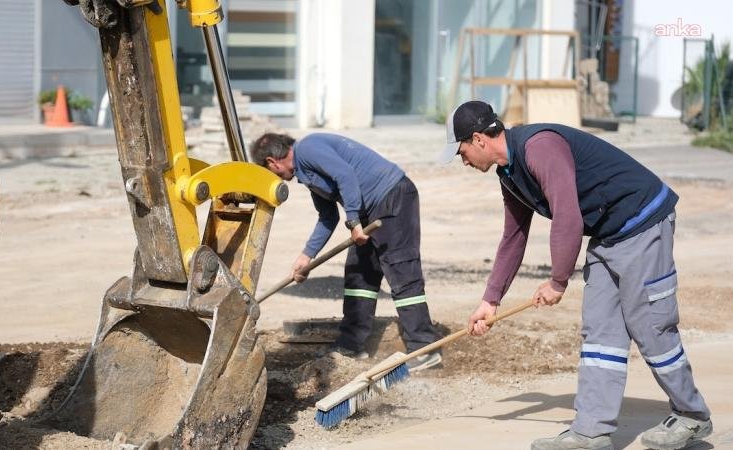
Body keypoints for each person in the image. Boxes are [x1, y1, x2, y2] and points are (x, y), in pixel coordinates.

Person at [445, 100, 712, 450]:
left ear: (479, 139)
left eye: (462, 151)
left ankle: (692, 415)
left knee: (650, 325)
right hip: (608, 235)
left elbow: (567, 215)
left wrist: (558, 281)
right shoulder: (508, 173)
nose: (463, 160)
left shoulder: (539, 147)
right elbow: (514, 237)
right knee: (600, 332)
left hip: (643, 221)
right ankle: (591, 431)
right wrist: (490, 300)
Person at [251, 132, 441, 371]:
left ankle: (424, 348)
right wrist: (305, 256)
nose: (278, 179)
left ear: (272, 162)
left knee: (401, 272)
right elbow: (327, 217)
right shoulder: (305, 172)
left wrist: (353, 221)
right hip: (367, 210)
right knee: (359, 276)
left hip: (393, 198)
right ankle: (352, 345)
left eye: (271, 173)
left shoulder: (307, 149)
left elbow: (346, 175)